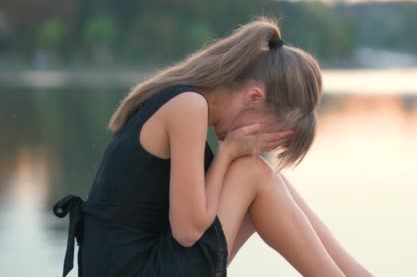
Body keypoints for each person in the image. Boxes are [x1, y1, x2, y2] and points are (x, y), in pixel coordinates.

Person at [52, 18, 373, 277]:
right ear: (254, 98)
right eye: (263, 135)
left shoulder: (186, 101)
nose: (256, 144)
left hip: (145, 263)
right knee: (253, 173)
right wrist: (229, 152)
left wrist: (232, 154)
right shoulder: (187, 106)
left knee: (266, 177)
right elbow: (188, 231)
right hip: (134, 269)